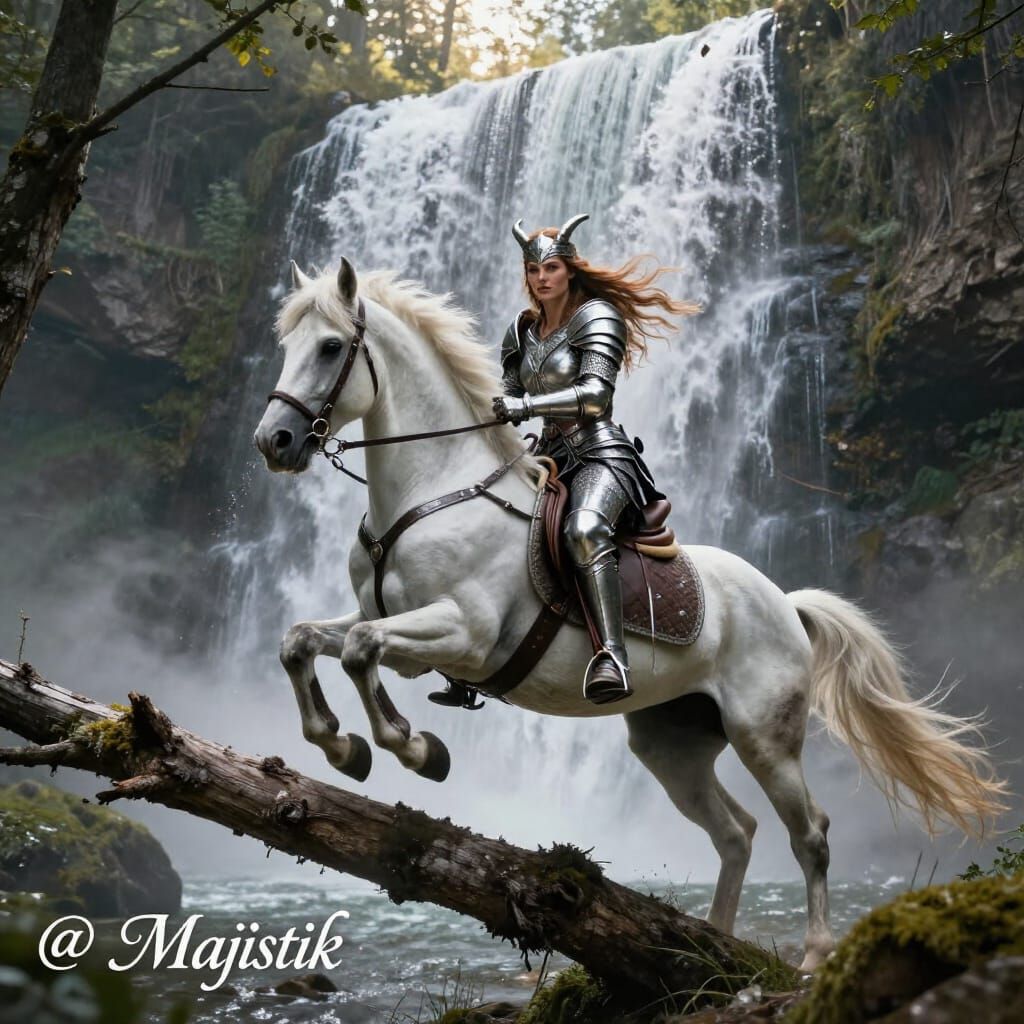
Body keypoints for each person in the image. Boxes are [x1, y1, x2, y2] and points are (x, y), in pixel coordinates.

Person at [432, 213, 697, 707]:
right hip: (545, 457)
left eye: (551, 268)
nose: (542, 278)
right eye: (533, 270)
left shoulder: (597, 317)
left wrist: (524, 407)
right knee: (479, 523)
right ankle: (463, 658)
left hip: (599, 454)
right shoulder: (521, 332)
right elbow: (502, 396)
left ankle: (612, 656)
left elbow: (596, 396)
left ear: (570, 270)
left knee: (585, 529)